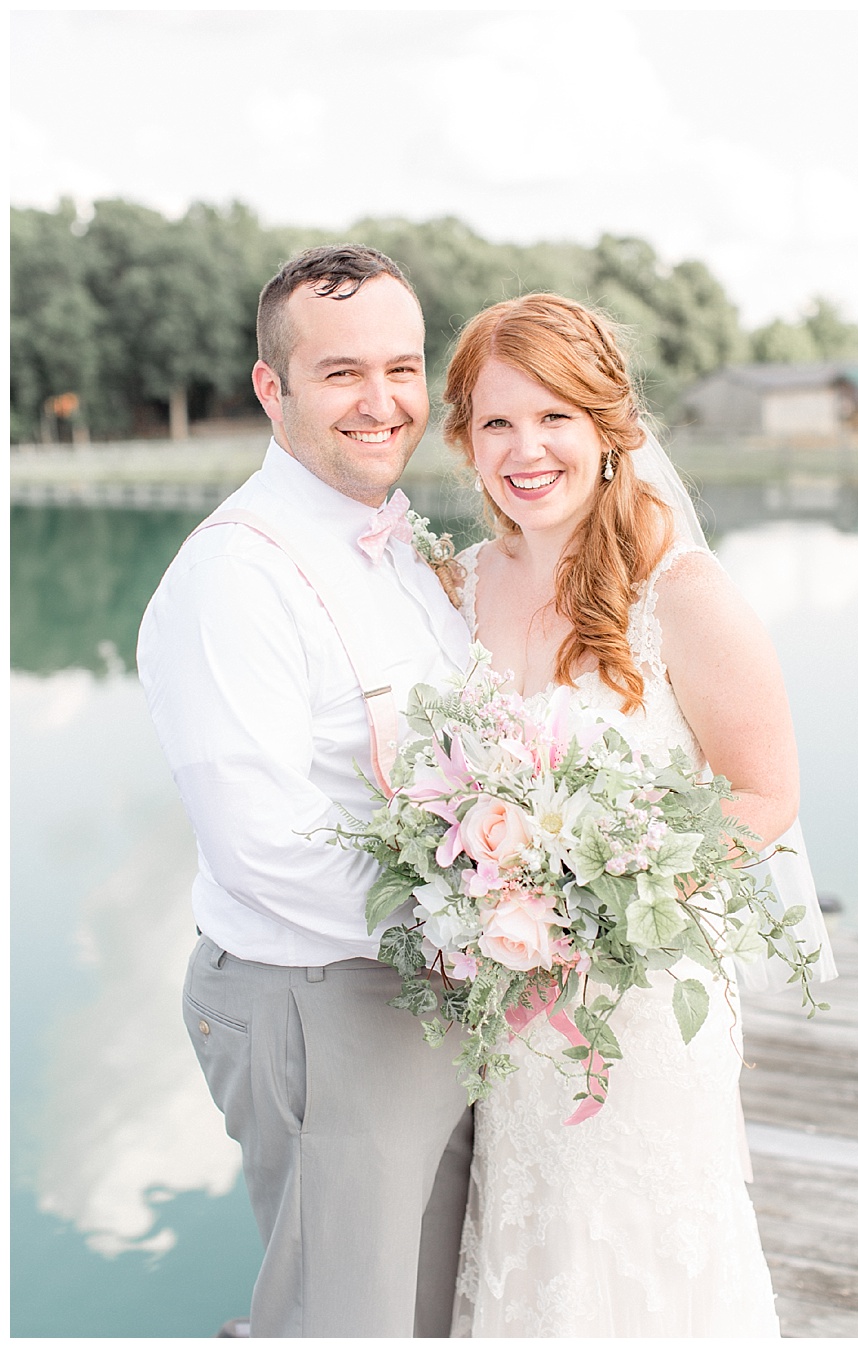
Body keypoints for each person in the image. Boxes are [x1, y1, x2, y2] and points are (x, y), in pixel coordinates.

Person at [439, 293, 806, 1336]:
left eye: (554, 416)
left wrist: (607, 895)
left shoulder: (678, 590)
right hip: (509, 1013)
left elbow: (766, 791)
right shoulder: (453, 584)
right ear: (465, 438)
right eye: (497, 421)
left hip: (639, 1005)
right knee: (532, 1243)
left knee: (638, 1253)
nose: (526, 449)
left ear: (608, 429)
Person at [139, 246, 474, 1336]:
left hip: (431, 981)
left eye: (404, 367)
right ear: (271, 388)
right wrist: (483, 926)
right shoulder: (235, 578)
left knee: (427, 1309)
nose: (383, 403)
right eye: (341, 374)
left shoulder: (400, 544)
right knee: (342, 1320)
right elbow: (264, 847)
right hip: (317, 996)